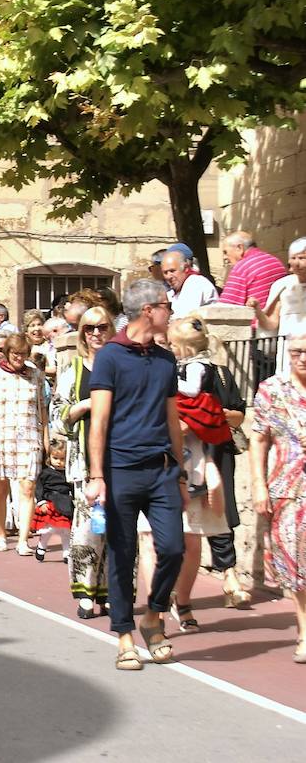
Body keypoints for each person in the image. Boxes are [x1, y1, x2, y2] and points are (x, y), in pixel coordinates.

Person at [85, 278, 187, 671]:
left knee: (174, 548)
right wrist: (97, 475)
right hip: (120, 470)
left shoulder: (165, 359)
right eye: (166, 305)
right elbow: (100, 419)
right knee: (123, 554)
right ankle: (125, 635)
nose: (170, 312)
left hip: (161, 469)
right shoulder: (110, 356)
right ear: (149, 310)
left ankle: (154, 616)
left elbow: (172, 417)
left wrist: (179, 472)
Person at [164, 317, 234, 632]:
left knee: (191, 542)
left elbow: (200, 403)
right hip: (167, 463)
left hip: (193, 462)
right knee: (165, 542)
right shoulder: (182, 366)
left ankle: (183, 600)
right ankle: (163, 598)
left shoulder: (198, 369)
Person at [52, 306, 114, 618]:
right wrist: (85, 406)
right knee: (89, 529)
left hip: (121, 460)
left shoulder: (122, 366)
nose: (96, 334)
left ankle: (114, 591)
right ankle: (87, 593)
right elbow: (57, 418)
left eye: (102, 327)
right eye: (89, 328)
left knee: (119, 531)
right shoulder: (73, 372)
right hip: (85, 465)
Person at [250, 330, 306, 663]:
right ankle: (305, 630)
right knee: (296, 563)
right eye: (297, 350)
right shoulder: (272, 390)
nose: (302, 357)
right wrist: (258, 484)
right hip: (288, 486)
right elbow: (258, 440)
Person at [0, 334, 48, 556]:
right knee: (1, 488)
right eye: (15, 354)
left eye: (23, 354)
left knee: (28, 488)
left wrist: (46, 437)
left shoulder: (35, 373)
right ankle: (0, 533)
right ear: (7, 353)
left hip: (29, 435)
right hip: (1, 436)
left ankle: (23, 540)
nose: (19, 358)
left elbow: (42, 407)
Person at [251, 236, 306, 374]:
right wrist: (257, 309)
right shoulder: (282, 285)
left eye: (301, 258)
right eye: (293, 258)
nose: (297, 263)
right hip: (289, 344)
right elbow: (271, 324)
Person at [219, 231, 288, 310]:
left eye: (225, 252)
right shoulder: (276, 261)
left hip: (257, 320)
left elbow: (225, 308)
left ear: (239, 248)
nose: (224, 257)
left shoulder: (241, 268)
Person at [164, 249, 217, 316]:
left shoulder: (195, 283)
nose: (169, 276)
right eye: (165, 272)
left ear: (186, 268)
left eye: (172, 271)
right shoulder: (174, 290)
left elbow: (184, 318)